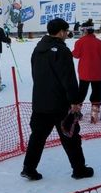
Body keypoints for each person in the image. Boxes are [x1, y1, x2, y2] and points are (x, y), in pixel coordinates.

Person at [21, 18, 94, 181]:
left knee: (37, 137)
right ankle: (79, 169)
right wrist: (74, 101)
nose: (67, 34)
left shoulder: (38, 49)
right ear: (61, 32)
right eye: (66, 31)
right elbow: (68, 79)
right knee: (71, 137)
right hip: (59, 103)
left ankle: (29, 168)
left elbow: (35, 74)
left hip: (40, 101)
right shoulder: (62, 51)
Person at [72, 19, 101, 123]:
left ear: (84, 31)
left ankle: (76, 113)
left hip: (84, 72)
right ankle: (95, 115)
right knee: (97, 92)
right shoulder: (99, 42)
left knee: (81, 92)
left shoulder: (79, 42)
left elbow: (76, 55)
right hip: (97, 72)